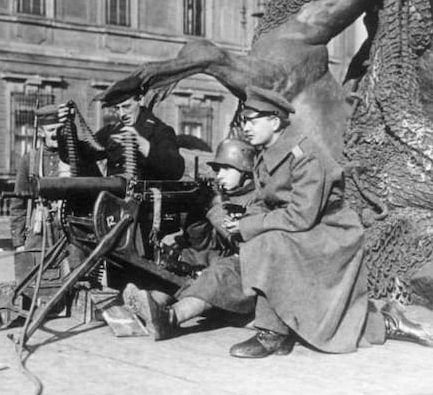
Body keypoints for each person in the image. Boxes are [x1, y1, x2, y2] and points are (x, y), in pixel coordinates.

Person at [220, 85, 433, 357]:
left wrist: (250, 226)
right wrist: (245, 219)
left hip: (332, 232)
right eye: (243, 120)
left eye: (251, 120)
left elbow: (301, 215)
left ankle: (272, 334)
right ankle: (283, 330)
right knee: (268, 243)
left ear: (274, 121)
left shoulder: (303, 154)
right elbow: (266, 199)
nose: (245, 127)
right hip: (308, 228)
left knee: (269, 241)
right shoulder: (269, 151)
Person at [123, 138, 258, 340]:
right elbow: (206, 244)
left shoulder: (258, 199)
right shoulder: (227, 193)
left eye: (226, 169)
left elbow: (243, 243)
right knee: (183, 257)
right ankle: (151, 304)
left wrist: (216, 208)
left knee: (220, 273)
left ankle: (169, 318)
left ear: (246, 171)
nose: (219, 175)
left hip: (248, 270)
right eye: (217, 169)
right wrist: (196, 214)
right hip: (225, 262)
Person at [57, 75, 185, 181]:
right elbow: (77, 156)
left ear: (140, 100)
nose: (122, 114)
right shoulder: (111, 131)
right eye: (117, 109)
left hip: (145, 207)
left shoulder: (160, 131)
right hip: (113, 203)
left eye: (126, 106)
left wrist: (143, 145)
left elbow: (175, 170)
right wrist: (67, 128)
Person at [10, 104, 76, 251]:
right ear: (41, 132)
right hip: (40, 231)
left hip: (71, 232)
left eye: (60, 129)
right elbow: (18, 203)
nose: (56, 134)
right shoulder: (30, 160)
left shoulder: (74, 158)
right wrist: (19, 241)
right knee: (36, 271)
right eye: (51, 130)